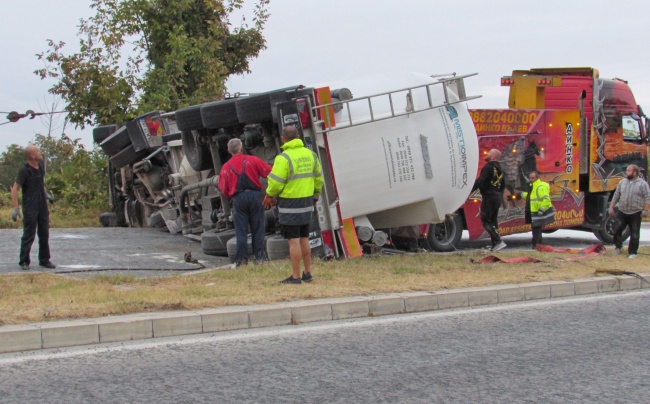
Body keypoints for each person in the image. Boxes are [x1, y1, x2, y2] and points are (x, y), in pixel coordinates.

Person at [263, 126, 324, 284]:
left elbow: (276, 183)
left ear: (283, 139)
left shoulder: (283, 158)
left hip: (290, 204)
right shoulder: (311, 155)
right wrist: (315, 198)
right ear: (298, 136)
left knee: (294, 240)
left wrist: (269, 195)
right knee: (304, 238)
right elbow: (319, 180)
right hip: (307, 202)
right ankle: (308, 273)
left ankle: (296, 276)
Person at [217, 138, 272, 267]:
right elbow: (269, 172)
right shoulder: (253, 160)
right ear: (241, 148)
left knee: (241, 231)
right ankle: (259, 259)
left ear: (229, 150)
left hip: (238, 198)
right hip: (255, 196)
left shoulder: (226, 167)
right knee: (258, 229)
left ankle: (241, 261)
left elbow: (223, 189)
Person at [10, 145, 56, 271]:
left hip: (42, 204)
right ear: (31, 155)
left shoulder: (40, 167)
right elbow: (15, 189)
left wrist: (46, 194)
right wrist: (16, 208)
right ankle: (24, 261)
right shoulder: (24, 170)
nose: (39, 152)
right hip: (30, 205)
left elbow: (41, 183)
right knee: (29, 234)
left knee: (44, 232)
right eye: (37, 151)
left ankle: (44, 259)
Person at [609, 164, 650, 259]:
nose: (626, 172)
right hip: (622, 211)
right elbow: (616, 195)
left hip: (635, 212)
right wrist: (611, 207)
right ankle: (618, 247)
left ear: (634, 173)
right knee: (617, 229)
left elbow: (648, 197)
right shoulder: (622, 182)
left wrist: (646, 210)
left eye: (628, 171)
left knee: (634, 233)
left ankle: (633, 252)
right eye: (626, 170)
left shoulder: (642, 184)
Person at [471, 149, 507, 252]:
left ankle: (498, 241)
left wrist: (469, 190)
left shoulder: (488, 167)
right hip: (497, 197)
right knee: (493, 220)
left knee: (485, 219)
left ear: (493, 157)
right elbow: (503, 185)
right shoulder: (501, 169)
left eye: (489, 153)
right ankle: (495, 244)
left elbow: (481, 181)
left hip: (489, 196)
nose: (486, 154)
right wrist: (498, 194)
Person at [521, 170, 552, 248]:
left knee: (536, 229)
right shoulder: (534, 186)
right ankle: (538, 244)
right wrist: (521, 195)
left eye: (532, 178)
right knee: (536, 228)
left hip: (537, 211)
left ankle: (536, 245)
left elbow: (546, 200)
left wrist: (541, 210)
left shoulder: (540, 187)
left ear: (537, 178)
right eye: (530, 178)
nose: (530, 179)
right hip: (533, 210)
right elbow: (531, 196)